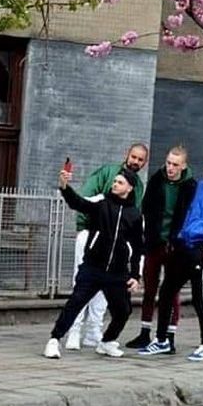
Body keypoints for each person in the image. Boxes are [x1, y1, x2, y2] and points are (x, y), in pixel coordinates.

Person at [139, 156, 203, 362]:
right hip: (183, 244)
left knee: (199, 296)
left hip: (202, 248)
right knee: (166, 290)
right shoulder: (200, 186)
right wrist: (178, 236)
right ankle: (162, 340)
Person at [43, 167, 144, 359]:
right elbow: (78, 203)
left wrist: (135, 275)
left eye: (120, 182)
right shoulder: (101, 204)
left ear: (130, 188)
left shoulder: (135, 215)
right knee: (75, 303)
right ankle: (54, 340)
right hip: (93, 268)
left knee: (123, 311)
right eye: (115, 181)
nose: (115, 184)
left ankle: (107, 342)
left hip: (117, 273)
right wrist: (64, 186)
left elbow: (138, 247)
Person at [65, 143, 148, 350]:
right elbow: (86, 198)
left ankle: (94, 330)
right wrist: (88, 227)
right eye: (133, 157)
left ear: (144, 163)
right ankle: (74, 330)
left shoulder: (138, 185)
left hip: (115, 243)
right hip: (92, 235)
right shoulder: (107, 172)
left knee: (105, 288)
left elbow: (131, 213)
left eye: (140, 159)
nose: (135, 161)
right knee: (82, 284)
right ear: (127, 155)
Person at [124, 145, 196, 353]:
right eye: (168, 163)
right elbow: (146, 207)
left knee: (171, 291)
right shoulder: (157, 179)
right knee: (150, 288)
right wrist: (148, 234)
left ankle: (168, 335)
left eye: (175, 165)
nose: (170, 168)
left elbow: (189, 214)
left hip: (175, 244)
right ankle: (145, 331)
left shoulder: (190, 186)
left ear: (183, 166)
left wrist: (180, 238)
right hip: (154, 241)